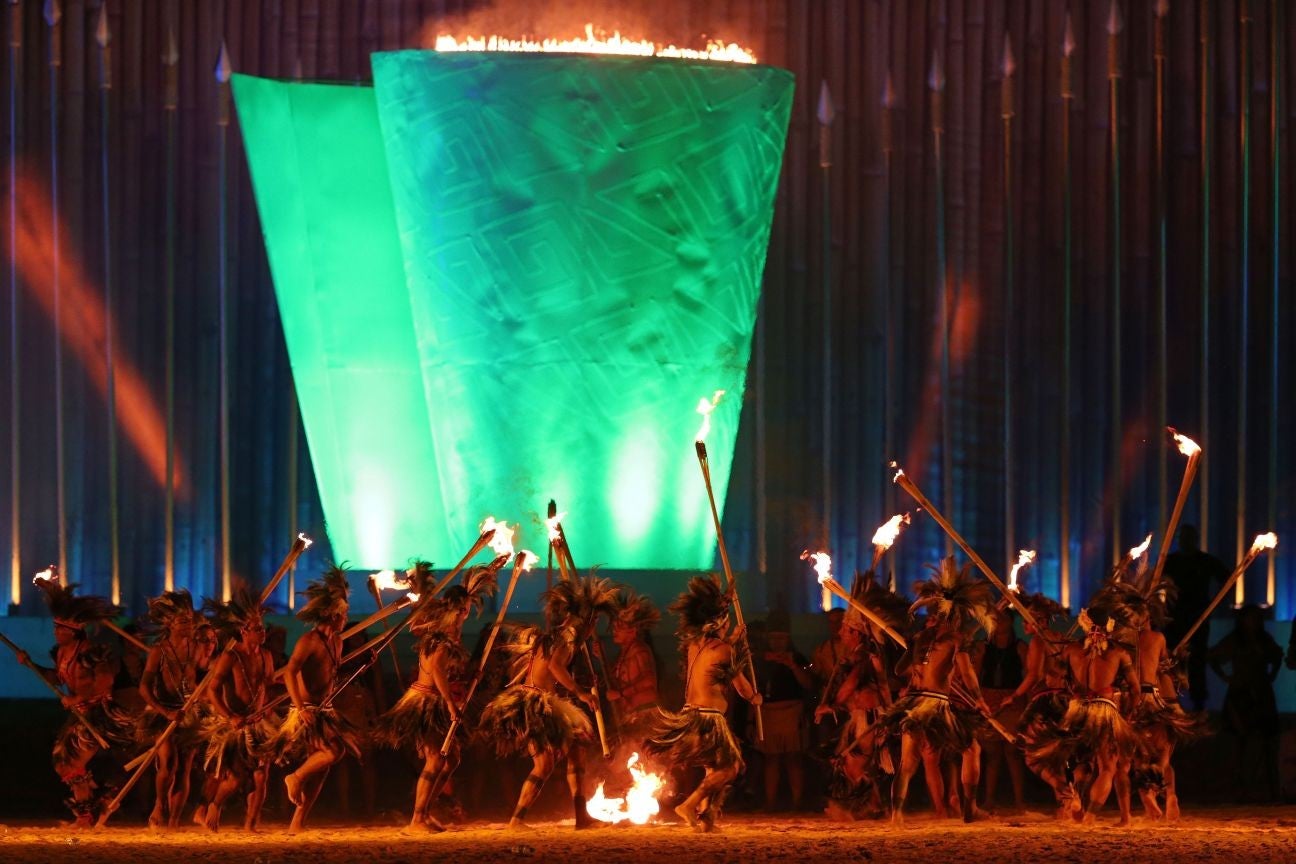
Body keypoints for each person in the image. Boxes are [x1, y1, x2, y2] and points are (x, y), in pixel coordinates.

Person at [479, 573, 617, 830]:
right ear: (589, 619)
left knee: (576, 753)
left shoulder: (560, 635)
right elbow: (554, 665)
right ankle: (517, 819)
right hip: (538, 704)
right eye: (595, 620)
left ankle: (581, 817)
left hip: (538, 699)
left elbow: (553, 666)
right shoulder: (567, 636)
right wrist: (580, 692)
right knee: (544, 764)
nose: (594, 626)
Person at [374, 562, 496, 832]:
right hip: (426, 701)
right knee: (435, 759)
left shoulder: (451, 629)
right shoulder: (443, 633)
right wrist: (451, 704)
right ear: (454, 607)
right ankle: (417, 817)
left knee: (451, 759)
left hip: (436, 698)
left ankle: (426, 810)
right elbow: (437, 670)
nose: (466, 612)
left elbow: (447, 668)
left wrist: (470, 675)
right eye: (462, 607)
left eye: (467, 607)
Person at [881, 557, 995, 824]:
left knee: (908, 761)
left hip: (912, 701)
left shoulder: (920, 638)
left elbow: (899, 671)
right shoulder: (957, 639)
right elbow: (967, 673)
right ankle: (970, 809)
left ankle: (896, 813)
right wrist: (979, 700)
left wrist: (911, 650)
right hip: (935, 702)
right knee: (971, 749)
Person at [645, 574, 762, 832]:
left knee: (714, 769)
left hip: (690, 716)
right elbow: (741, 687)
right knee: (731, 767)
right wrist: (755, 697)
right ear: (720, 622)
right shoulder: (725, 650)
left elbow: (713, 657)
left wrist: (732, 638)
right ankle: (690, 805)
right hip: (709, 719)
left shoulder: (694, 645)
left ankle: (706, 817)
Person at [23, 570, 134, 827]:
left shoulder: (90, 652)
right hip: (80, 714)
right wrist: (31, 665)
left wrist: (77, 698)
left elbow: (105, 682)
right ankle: (89, 809)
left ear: (73, 631)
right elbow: (56, 678)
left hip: (99, 714)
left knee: (73, 760)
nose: (55, 633)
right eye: (55, 628)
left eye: (60, 629)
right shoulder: (62, 653)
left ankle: (95, 808)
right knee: (62, 762)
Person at [1093, 580, 1207, 822]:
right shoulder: (1158, 638)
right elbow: (1164, 667)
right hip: (1154, 698)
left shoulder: (1117, 641)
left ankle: (1126, 815)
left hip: (1128, 699)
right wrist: (1173, 661)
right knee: (1162, 756)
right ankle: (1170, 796)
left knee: (1125, 762)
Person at [1027, 607, 1142, 825]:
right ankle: (1090, 815)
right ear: (1109, 626)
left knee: (1082, 763)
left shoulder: (1071, 649)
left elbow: (1055, 680)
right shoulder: (1119, 653)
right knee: (1108, 767)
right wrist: (1126, 716)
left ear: (1085, 624)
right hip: (1104, 709)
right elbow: (1135, 690)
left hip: (1077, 710)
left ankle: (1078, 806)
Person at [273, 564, 361, 832]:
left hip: (325, 710)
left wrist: (363, 660)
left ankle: (297, 822)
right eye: (343, 612)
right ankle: (295, 777)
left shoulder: (337, 641)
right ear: (332, 614)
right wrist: (300, 708)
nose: (346, 616)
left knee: (322, 769)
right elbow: (289, 673)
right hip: (307, 709)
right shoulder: (308, 641)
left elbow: (331, 670)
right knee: (334, 751)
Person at [816, 574, 908, 820]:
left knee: (853, 763)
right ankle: (875, 806)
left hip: (871, 717)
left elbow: (852, 683)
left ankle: (854, 807)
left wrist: (831, 705)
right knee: (856, 762)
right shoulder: (856, 654)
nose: (841, 632)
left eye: (845, 629)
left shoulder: (865, 655)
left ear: (856, 634)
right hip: (860, 716)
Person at [195, 582, 278, 831]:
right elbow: (212, 689)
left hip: (257, 724)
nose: (262, 633)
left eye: (263, 629)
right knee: (235, 778)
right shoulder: (230, 657)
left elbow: (269, 685)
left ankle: (251, 825)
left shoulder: (267, 656)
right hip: (232, 724)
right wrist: (230, 716)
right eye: (257, 629)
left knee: (262, 777)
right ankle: (214, 806)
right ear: (243, 631)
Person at [137, 589, 207, 828]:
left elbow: (209, 667)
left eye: (190, 619)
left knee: (185, 767)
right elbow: (144, 688)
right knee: (168, 763)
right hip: (164, 712)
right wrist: (165, 713)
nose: (189, 624)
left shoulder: (196, 647)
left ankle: (174, 821)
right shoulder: (159, 652)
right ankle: (160, 806)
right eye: (183, 621)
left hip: (186, 710)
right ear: (170, 623)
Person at [1006, 592, 1076, 817]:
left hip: (1047, 702)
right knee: (1058, 755)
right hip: (1067, 702)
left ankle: (1065, 792)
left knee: (1031, 755)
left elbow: (1034, 675)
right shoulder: (1064, 640)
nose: (1024, 624)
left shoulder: (1038, 641)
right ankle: (1065, 808)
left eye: (1026, 620)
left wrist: (1015, 696)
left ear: (1038, 620)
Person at [1209, 605, 1283, 802]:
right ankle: (1241, 789)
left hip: (1261, 693)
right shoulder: (1235, 640)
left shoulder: (1264, 640)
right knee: (1241, 742)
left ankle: (1271, 790)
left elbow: (1277, 656)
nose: (1253, 622)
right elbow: (1213, 656)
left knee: (1268, 741)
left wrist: (1272, 674)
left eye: (1256, 619)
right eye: (1250, 618)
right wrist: (1227, 677)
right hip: (1241, 695)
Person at [1161, 525, 1229, 710]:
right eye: (1183, 537)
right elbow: (1155, 582)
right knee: (1172, 660)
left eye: (1189, 537)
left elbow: (1228, 579)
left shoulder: (1205, 561)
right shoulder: (1171, 561)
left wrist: (1215, 603)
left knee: (1197, 661)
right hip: (1174, 619)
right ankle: (1171, 702)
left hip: (1197, 618)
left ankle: (1198, 704)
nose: (1186, 541)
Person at [753, 609, 812, 811]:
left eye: (782, 638)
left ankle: (797, 803)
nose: (778, 642)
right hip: (768, 713)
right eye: (774, 638)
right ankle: (770, 803)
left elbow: (808, 685)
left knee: (793, 758)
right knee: (771, 760)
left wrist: (793, 666)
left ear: (788, 639)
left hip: (792, 712)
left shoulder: (799, 658)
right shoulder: (760, 662)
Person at [973, 608, 1027, 813]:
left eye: (1003, 618)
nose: (999, 622)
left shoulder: (1020, 647)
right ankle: (988, 801)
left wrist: (1023, 701)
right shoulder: (983, 647)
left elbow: (1028, 674)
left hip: (1013, 699)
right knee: (992, 754)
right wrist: (977, 699)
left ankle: (1020, 801)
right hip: (989, 699)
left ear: (1011, 621)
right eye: (996, 619)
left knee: (1013, 753)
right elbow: (976, 675)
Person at [606, 588, 661, 748]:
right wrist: (600, 656)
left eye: (619, 627)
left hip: (644, 715)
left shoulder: (639, 650)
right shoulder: (624, 654)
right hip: (630, 716)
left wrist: (620, 694)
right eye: (614, 627)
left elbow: (649, 681)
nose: (614, 631)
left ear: (632, 631)